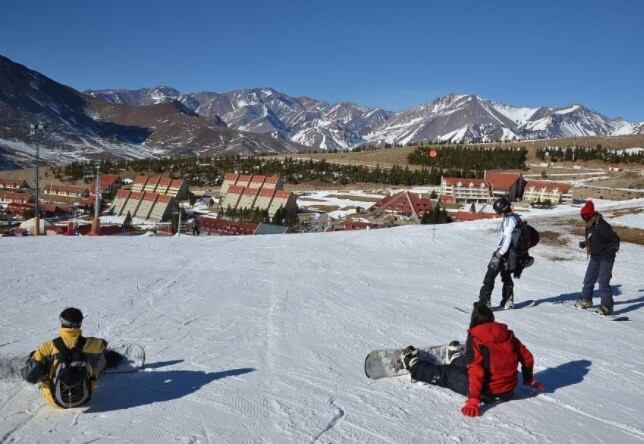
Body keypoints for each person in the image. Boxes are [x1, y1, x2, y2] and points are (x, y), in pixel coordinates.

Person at [401, 302, 543, 417]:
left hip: (486, 392)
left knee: (445, 373)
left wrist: (474, 399)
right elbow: (527, 358)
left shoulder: (476, 338)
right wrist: (528, 378)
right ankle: (456, 358)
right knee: (469, 360)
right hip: (509, 391)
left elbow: (477, 371)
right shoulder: (507, 334)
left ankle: (414, 366)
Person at [21, 307, 108, 408]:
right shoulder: (88, 343)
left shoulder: (48, 346)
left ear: (62, 323)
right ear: (80, 324)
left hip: (54, 400)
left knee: (38, 357)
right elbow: (103, 345)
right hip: (85, 397)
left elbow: (29, 375)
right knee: (94, 355)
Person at [479, 197, 527, 309]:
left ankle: (485, 303)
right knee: (505, 275)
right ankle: (508, 300)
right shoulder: (517, 218)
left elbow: (507, 238)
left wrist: (499, 254)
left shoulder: (509, 221)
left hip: (504, 252)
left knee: (490, 276)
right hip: (513, 253)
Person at [575, 200, 620, 315]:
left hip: (606, 257)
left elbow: (615, 241)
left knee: (603, 282)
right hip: (595, 257)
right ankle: (586, 300)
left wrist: (608, 250)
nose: (585, 220)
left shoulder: (602, 226)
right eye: (583, 218)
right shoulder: (591, 225)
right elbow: (594, 238)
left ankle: (607, 306)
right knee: (588, 279)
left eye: (586, 218)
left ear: (592, 215)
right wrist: (585, 243)